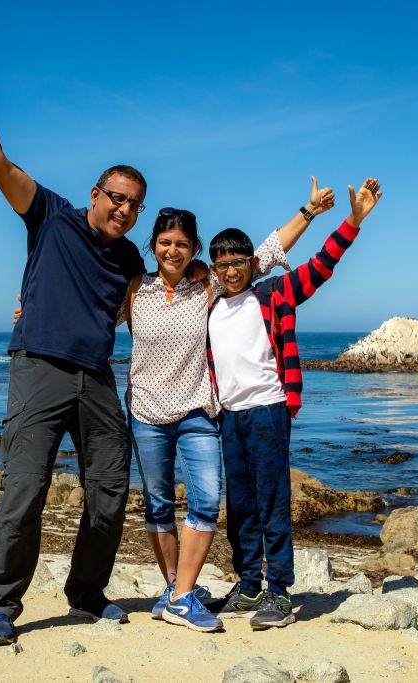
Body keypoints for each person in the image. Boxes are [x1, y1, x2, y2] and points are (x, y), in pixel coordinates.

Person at [0, 26, 152, 645]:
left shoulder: (130, 259)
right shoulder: (50, 215)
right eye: (116, 197)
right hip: (39, 368)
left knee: (110, 491)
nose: (123, 209)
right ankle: (1, 604)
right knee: (25, 490)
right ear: (96, 194)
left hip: (97, 377)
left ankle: (86, 592)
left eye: (134, 204)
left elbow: (133, 307)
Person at [124, 180, 334, 633]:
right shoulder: (145, 290)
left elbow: (275, 252)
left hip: (223, 412)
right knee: (197, 506)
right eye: (165, 242)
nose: (173, 251)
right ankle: (209, 586)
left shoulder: (220, 286)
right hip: (175, 415)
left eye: (182, 244)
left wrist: (312, 212)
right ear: (153, 245)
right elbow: (95, 315)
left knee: (235, 502)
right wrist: (32, 313)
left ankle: (254, 591)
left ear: (195, 250)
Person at [207, 178, 383, 630]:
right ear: (213, 268)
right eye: (223, 264)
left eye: (239, 262)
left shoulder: (273, 293)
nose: (231, 271)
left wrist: (352, 221)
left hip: (269, 411)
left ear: (253, 263)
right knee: (240, 506)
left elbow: (322, 265)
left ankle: (280, 591)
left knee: (273, 502)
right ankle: (249, 586)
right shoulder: (210, 307)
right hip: (229, 418)